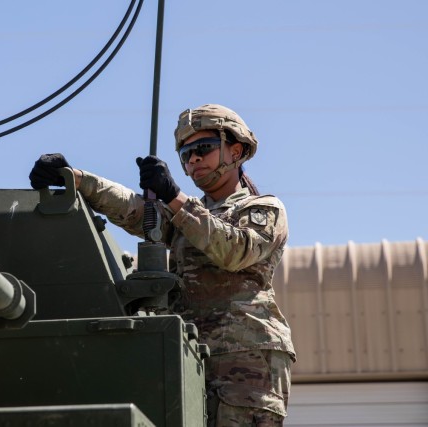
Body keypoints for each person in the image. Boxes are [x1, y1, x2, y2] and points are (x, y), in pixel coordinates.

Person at [29, 104, 296, 426]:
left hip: (244, 356)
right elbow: (136, 210)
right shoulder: (185, 214)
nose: (193, 159)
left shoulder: (262, 208)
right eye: (186, 154)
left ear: (235, 150)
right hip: (183, 352)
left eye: (203, 148)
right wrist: (79, 179)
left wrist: (174, 196)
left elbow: (235, 252)